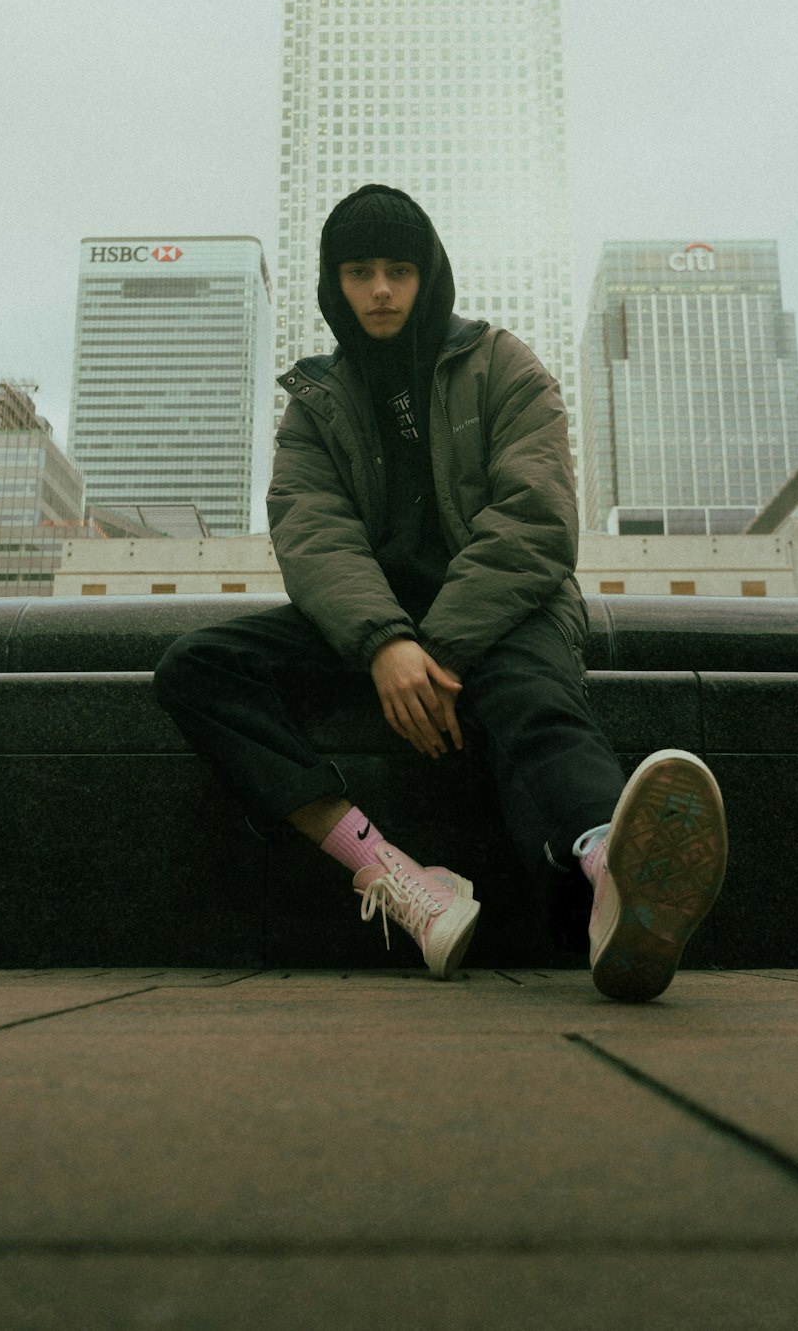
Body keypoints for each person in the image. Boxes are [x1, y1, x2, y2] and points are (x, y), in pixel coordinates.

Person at [153, 185, 728, 1001]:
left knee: (531, 695)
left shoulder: (501, 364)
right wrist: (386, 641)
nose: (381, 289)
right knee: (197, 667)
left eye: (398, 269)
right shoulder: (315, 401)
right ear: (334, 283)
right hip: (372, 627)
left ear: (430, 274)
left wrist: (438, 646)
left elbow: (536, 518)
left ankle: (615, 871)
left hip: (499, 612)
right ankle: (390, 875)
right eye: (359, 271)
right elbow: (313, 533)